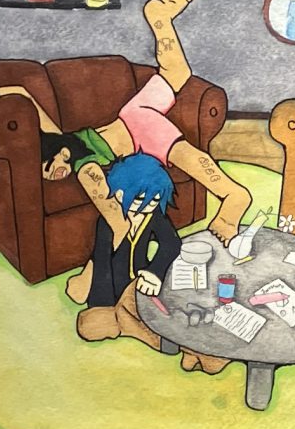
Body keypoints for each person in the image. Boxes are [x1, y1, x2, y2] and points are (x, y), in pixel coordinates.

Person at [0, 0, 252, 242]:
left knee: (183, 154)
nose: (55, 174)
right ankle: (160, 19)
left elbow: (21, 93)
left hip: (139, 129)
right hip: (133, 116)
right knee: (177, 73)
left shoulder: (77, 157)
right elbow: (22, 97)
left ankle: (233, 196)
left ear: (59, 153)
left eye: (50, 167)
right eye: (48, 174)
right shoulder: (60, 144)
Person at [67, 152, 227, 375]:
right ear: (120, 194)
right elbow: (102, 266)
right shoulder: (108, 223)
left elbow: (171, 243)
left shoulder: (153, 216)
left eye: (153, 201)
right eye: (141, 200)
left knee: (173, 305)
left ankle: (198, 349)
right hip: (120, 294)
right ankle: (192, 350)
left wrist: (154, 272)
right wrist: (102, 304)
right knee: (97, 323)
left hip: (145, 283)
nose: (147, 207)